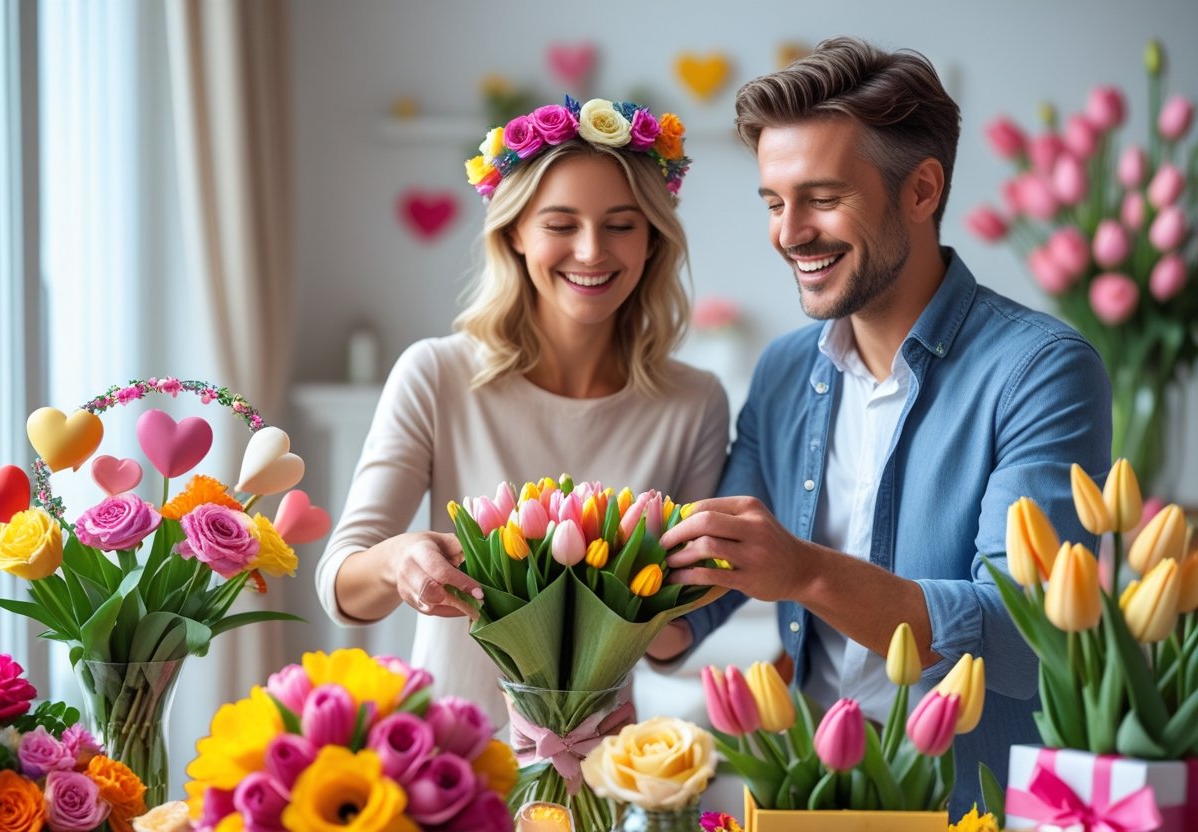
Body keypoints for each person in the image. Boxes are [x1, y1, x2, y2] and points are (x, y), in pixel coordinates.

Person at [648, 37, 1112, 817]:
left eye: (822, 198)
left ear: (921, 190)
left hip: (969, 807)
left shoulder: (1042, 370)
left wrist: (804, 572)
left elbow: (1023, 632)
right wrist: (578, 596)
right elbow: (703, 597)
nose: (789, 233)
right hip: (806, 798)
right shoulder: (784, 370)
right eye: (774, 202)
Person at [315, 96, 732, 729]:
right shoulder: (435, 374)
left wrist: (699, 593)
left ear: (653, 239)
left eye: (621, 225)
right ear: (514, 233)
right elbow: (342, 587)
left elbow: (672, 640)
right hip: (451, 753)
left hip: (605, 760)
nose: (591, 251)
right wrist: (400, 560)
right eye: (560, 224)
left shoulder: (694, 402)